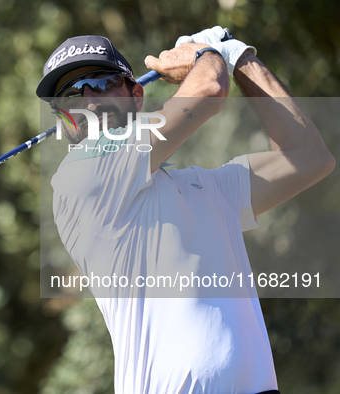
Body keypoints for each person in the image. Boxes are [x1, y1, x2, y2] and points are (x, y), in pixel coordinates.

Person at [36, 27, 335, 393]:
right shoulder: (78, 177)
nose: (88, 100)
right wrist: (207, 55)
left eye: (100, 83)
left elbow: (309, 158)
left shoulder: (206, 188)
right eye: (69, 94)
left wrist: (241, 58)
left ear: (137, 95)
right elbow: (209, 89)